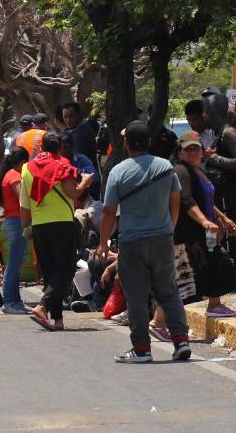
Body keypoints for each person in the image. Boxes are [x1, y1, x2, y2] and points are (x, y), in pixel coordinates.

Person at [96, 121, 191, 364]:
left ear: (126, 144)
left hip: (132, 242)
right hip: (162, 239)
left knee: (136, 296)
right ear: (148, 142)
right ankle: (181, 341)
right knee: (168, 292)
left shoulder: (118, 171)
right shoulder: (165, 166)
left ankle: (141, 349)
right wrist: (169, 228)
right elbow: (175, 201)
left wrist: (103, 242)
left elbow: (108, 211)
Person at [23, 132, 94, 331]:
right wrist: (85, 181)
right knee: (67, 268)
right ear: (60, 147)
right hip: (62, 223)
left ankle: (57, 319)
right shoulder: (63, 165)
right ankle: (42, 306)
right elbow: (73, 193)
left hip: (39, 225)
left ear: (41, 147)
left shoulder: (27, 168)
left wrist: (25, 227)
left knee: (49, 272)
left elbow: (25, 203)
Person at [171, 132, 236, 321]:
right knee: (190, 279)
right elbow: (186, 200)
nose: (193, 152)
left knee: (217, 265)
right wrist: (204, 221)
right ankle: (168, 321)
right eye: (188, 149)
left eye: (196, 149)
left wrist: (223, 218)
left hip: (205, 231)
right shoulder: (181, 171)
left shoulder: (198, 171)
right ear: (180, 152)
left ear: (202, 151)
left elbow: (207, 201)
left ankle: (214, 306)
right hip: (190, 234)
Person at [202, 93, 236, 275]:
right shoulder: (219, 132)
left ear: (212, 112)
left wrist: (214, 158)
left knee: (232, 232)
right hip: (223, 192)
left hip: (231, 192)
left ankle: (235, 272)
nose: (204, 116)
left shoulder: (228, 133)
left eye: (205, 112)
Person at [0, 148, 32, 314]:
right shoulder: (14, 176)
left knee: (16, 264)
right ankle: (9, 302)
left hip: (15, 221)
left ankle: (15, 301)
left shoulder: (10, 174)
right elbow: (22, 199)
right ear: (23, 162)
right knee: (13, 264)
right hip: (17, 221)